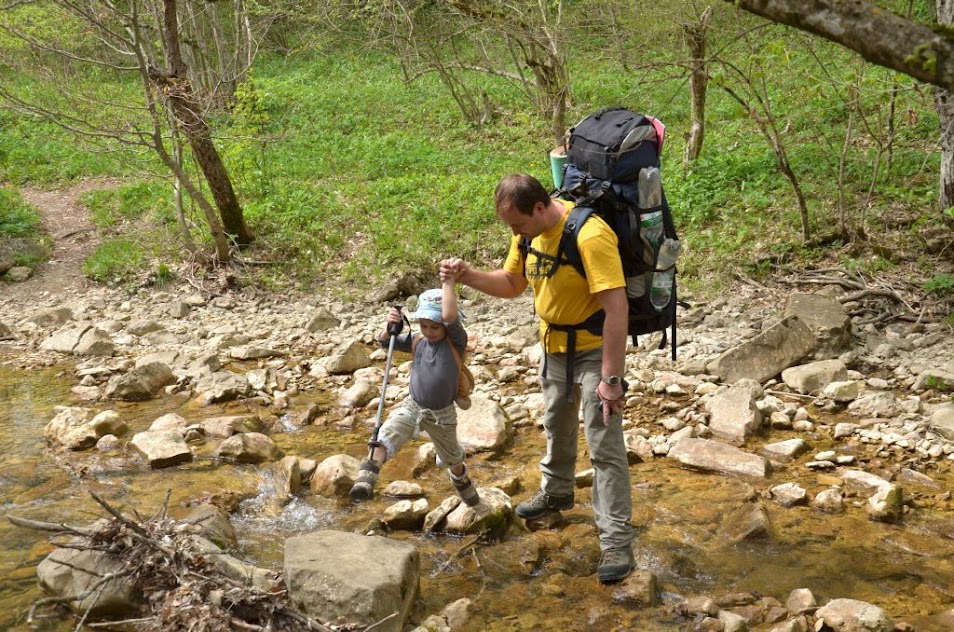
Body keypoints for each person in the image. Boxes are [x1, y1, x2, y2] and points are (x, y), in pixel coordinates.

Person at [440, 173, 634, 583]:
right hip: (552, 346)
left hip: (594, 348)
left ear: (541, 208)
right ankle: (557, 492)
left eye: (518, 225)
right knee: (555, 424)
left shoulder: (590, 236)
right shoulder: (527, 234)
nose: (514, 233)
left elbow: (617, 310)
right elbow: (512, 284)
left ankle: (616, 542)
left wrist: (611, 380)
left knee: (604, 446)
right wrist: (467, 275)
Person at [349, 279, 480, 507]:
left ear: (447, 326)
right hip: (413, 406)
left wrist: (448, 282)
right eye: (424, 325)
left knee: (452, 458)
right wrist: (390, 326)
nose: (429, 331)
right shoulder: (417, 340)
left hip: (442, 415)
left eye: (435, 327)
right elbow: (385, 342)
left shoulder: (456, 341)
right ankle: (367, 478)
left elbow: (449, 316)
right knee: (384, 437)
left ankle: (460, 477)